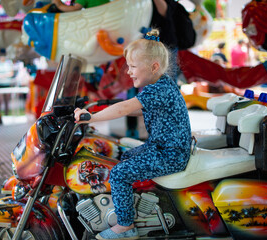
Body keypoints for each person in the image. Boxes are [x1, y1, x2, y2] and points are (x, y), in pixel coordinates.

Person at [74, 29, 192, 240]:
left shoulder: (157, 89)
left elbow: (126, 108)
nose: (128, 71)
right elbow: (138, 107)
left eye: (133, 66)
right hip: (163, 147)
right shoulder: (161, 83)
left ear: (153, 67)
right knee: (125, 156)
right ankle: (136, 205)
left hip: (170, 154)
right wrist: (99, 109)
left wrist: (90, 118)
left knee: (119, 173)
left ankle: (125, 226)